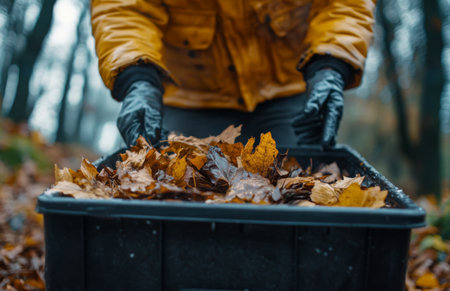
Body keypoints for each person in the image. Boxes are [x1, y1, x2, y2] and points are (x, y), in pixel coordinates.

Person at [91, 0, 376, 148]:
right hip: (191, 94)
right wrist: (138, 79)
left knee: (306, 194)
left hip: (289, 90)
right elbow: (125, 9)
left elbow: (343, 6)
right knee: (167, 195)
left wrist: (330, 66)